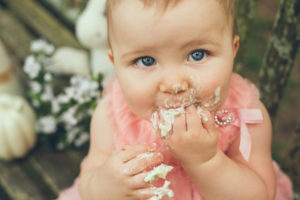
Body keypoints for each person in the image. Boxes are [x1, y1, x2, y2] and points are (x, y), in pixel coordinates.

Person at [57, 0, 294, 199]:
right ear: (115, 63)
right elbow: (88, 182)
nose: (174, 84)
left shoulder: (243, 116)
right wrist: (106, 185)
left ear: (233, 50)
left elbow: (260, 194)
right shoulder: (113, 113)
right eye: (146, 61)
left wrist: (206, 161)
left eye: (197, 54)